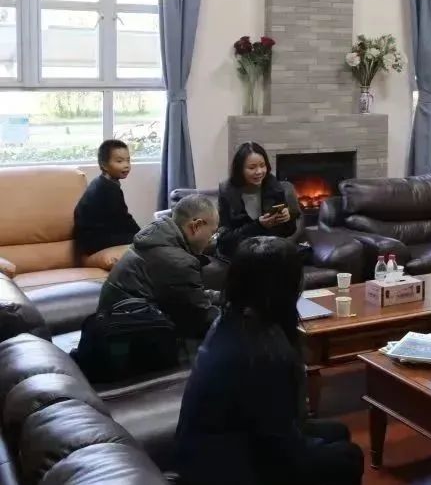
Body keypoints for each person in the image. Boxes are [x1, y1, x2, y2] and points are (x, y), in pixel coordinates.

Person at [174, 237, 363, 485]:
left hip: (217, 445)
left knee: (337, 431)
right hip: (223, 470)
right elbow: (280, 445)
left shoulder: (233, 316)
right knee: (349, 457)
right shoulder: (263, 352)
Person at [96, 194, 221, 343]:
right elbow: (201, 316)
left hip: (113, 322)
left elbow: (189, 296)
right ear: (196, 226)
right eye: (212, 233)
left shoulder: (157, 236)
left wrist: (225, 297)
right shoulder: (178, 261)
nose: (211, 240)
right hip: (126, 337)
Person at [216, 141, 303, 259]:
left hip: (270, 251)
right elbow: (225, 240)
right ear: (239, 169)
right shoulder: (227, 192)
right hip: (240, 254)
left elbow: (288, 232)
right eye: (252, 167)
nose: (259, 172)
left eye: (262, 165)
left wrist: (287, 219)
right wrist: (259, 225)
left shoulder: (274, 187)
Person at [73, 139, 141, 257]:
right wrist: (141, 234)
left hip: (93, 237)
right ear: (104, 165)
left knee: (144, 236)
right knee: (146, 240)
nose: (126, 165)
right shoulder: (107, 188)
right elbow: (124, 218)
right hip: (94, 241)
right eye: (119, 161)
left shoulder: (101, 181)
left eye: (128, 160)